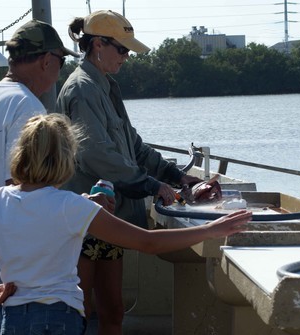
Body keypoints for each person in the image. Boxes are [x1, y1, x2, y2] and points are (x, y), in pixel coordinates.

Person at [0, 113, 251, 335]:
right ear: (66, 159)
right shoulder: (72, 207)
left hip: (13, 320)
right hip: (59, 318)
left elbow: (37, 212)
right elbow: (147, 242)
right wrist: (212, 229)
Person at [56, 10, 221, 334]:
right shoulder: (81, 89)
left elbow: (134, 147)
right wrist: (149, 184)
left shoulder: (105, 86)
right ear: (98, 45)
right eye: (122, 49)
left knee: (113, 310)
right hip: (83, 219)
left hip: (108, 217)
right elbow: (94, 155)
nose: (126, 57)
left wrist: (175, 176)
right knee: (77, 311)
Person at [0, 19, 79, 333]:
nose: (59, 71)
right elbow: (27, 188)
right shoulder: (28, 107)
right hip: (17, 252)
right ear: (46, 60)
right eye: (61, 61)